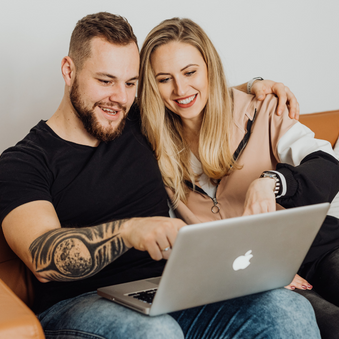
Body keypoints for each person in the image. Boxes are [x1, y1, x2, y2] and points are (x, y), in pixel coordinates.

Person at [0, 12, 320, 339]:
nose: (120, 98)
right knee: (156, 332)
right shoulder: (24, 161)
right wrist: (129, 231)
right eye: (105, 80)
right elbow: (43, 259)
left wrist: (255, 85)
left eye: (130, 83)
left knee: (287, 309)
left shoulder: (138, 123)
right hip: (80, 304)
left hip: (170, 291)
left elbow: (189, 94)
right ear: (69, 70)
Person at [137, 17, 339, 338]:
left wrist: (271, 182)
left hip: (320, 247)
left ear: (209, 68)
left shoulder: (262, 108)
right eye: (164, 79)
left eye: (190, 72)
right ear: (151, 84)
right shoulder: (148, 144)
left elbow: (327, 165)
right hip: (252, 272)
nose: (180, 89)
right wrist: (263, 270)